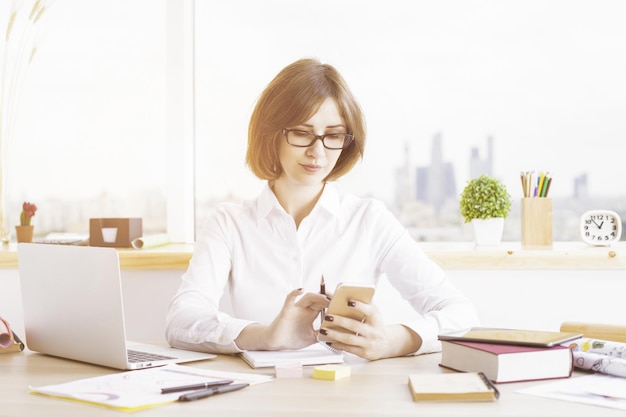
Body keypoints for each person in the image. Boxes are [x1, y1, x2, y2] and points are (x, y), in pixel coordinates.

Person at [165, 58, 480, 360]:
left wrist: (390, 341)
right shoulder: (229, 223)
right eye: (302, 133)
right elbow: (181, 321)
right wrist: (266, 336)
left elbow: (462, 315)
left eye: (333, 136)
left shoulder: (369, 220)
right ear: (271, 134)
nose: (317, 151)